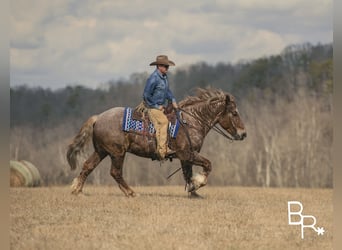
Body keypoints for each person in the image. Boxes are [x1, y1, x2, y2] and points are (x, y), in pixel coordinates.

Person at [143, 55, 179, 160]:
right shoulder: (153, 78)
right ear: (159, 66)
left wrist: (173, 100)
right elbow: (146, 95)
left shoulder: (164, 78)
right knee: (163, 122)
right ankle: (162, 150)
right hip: (152, 107)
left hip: (160, 106)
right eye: (165, 66)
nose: (167, 68)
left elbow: (167, 91)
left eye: (168, 66)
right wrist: (156, 106)